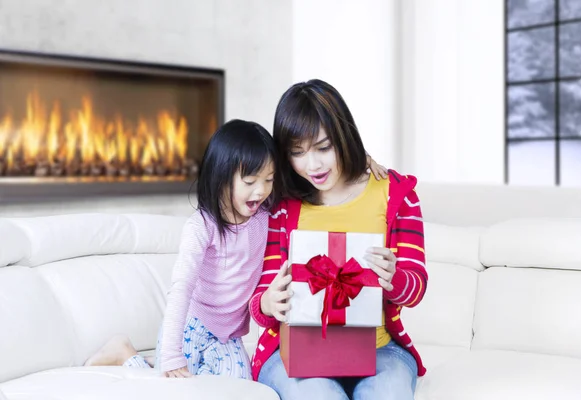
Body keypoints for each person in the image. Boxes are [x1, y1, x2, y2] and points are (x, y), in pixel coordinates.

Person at [83, 118, 388, 380]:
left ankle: (153, 360)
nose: (261, 189)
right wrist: (172, 352)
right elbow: (181, 288)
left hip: (228, 336)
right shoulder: (201, 227)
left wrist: (359, 160)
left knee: (239, 386)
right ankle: (126, 353)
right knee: (173, 384)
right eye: (250, 180)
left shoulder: (266, 217)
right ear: (221, 178)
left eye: (269, 179)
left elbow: (310, 178)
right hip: (194, 325)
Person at [250, 79, 428, 399]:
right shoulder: (283, 208)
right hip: (294, 352)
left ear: (344, 137)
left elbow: (416, 288)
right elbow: (261, 300)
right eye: (297, 153)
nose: (313, 165)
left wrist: (394, 277)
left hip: (381, 351)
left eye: (324, 147)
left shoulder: (396, 195)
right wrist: (267, 302)